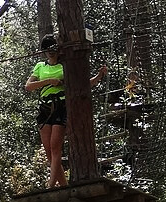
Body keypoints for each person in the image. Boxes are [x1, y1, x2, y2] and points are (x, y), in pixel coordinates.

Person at [24, 34, 107, 188]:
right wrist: (49, 81)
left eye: (53, 49)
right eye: (47, 49)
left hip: (61, 107)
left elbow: (82, 84)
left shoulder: (65, 66)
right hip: (45, 108)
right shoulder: (40, 66)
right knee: (48, 151)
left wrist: (99, 76)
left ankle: (51, 185)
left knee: (56, 146)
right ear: (44, 51)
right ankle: (63, 186)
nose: (51, 52)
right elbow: (28, 86)